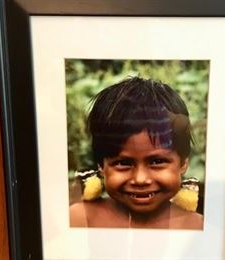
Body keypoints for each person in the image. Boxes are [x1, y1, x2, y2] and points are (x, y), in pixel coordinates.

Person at [69, 76, 203, 229]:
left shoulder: (196, 226)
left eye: (157, 162)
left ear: (183, 162)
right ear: (101, 165)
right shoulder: (80, 219)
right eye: (123, 163)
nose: (140, 179)